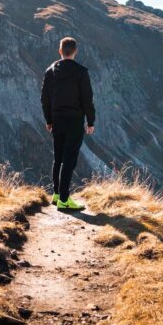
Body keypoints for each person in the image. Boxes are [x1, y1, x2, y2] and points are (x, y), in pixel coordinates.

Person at [40, 36, 96, 210]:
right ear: (75, 51)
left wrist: (49, 119)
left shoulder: (50, 71)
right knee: (69, 159)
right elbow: (87, 99)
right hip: (74, 120)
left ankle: (57, 195)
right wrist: (90, 121)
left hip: (57, 119)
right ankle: (64, 200)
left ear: (60, 51)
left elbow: (45, 99)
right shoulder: (81, 72)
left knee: (58, 158)